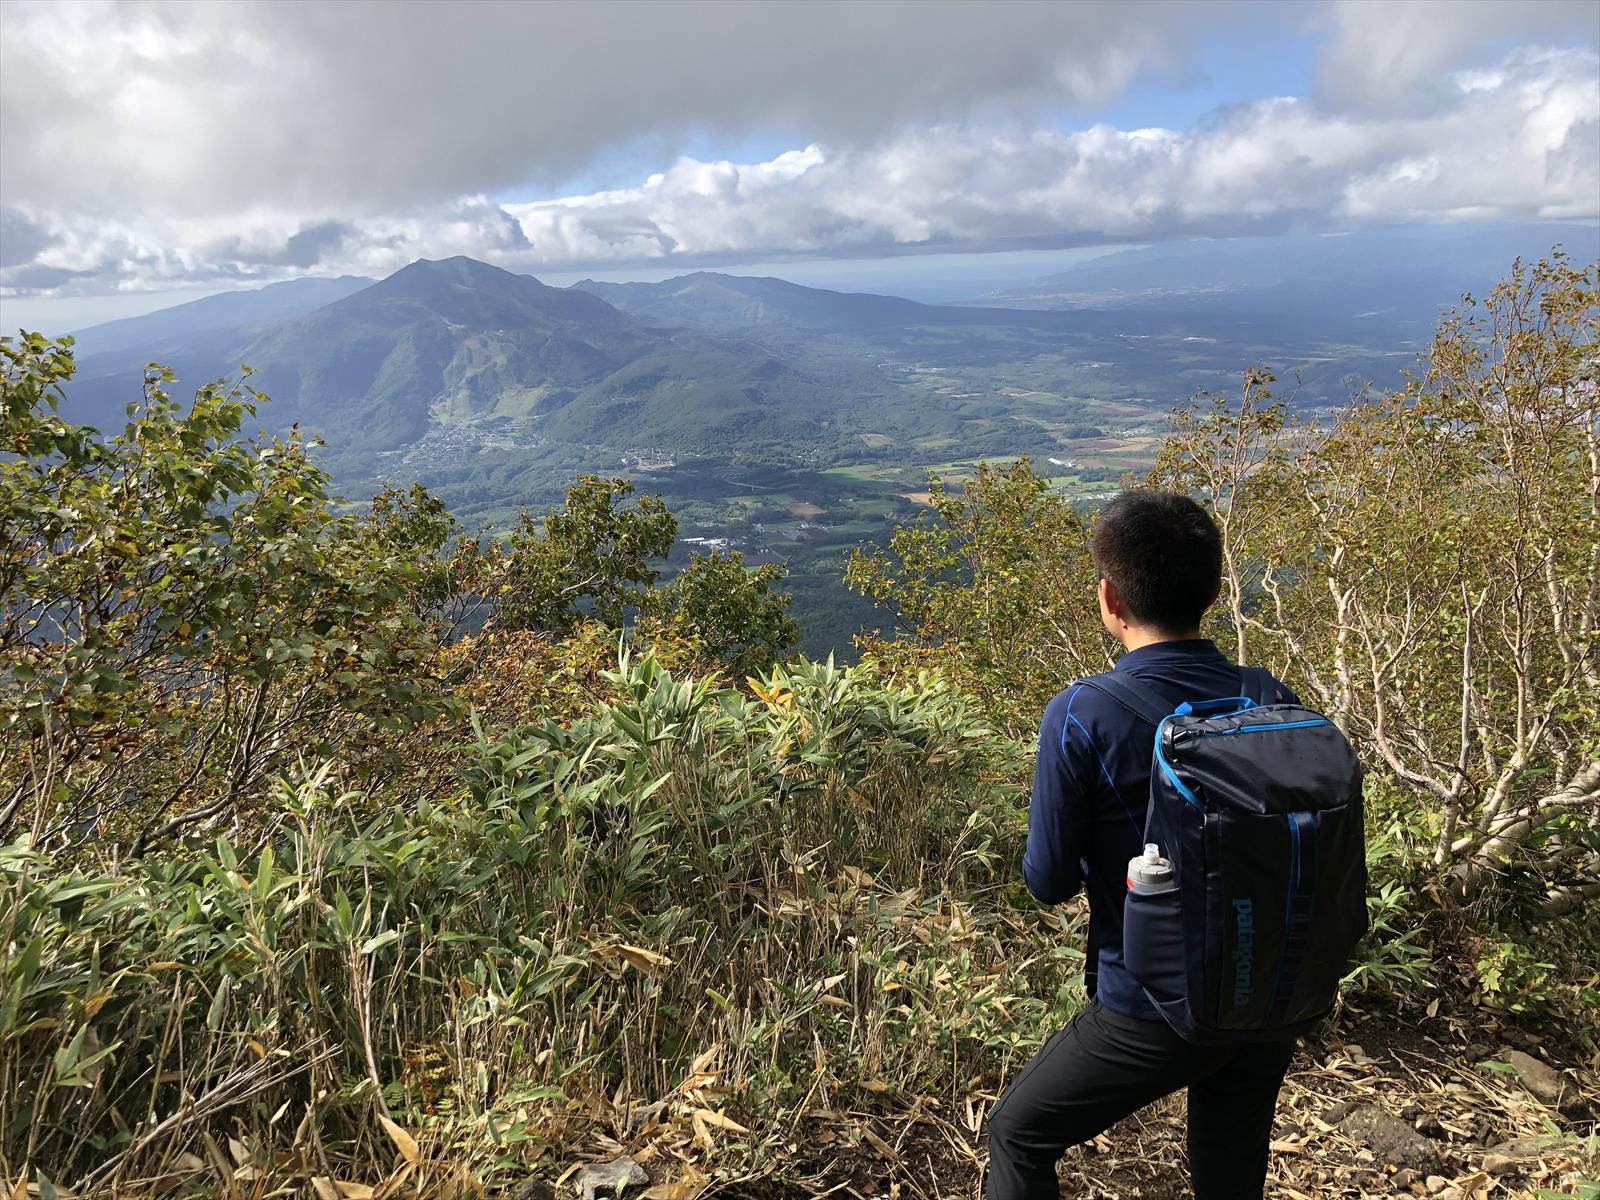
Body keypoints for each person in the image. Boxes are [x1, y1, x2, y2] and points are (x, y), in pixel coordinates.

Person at [985, 490, 1300, 1200]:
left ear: (1109, 597)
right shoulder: (1267, 692)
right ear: (1215, 590)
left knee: (1017, 1132)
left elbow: (1047, 881)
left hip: (1154, 1007)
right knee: (1229, 1160)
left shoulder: (1083, 711)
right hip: (1267, 993)